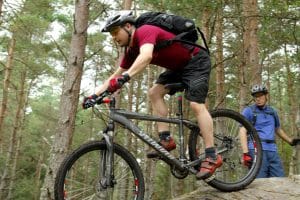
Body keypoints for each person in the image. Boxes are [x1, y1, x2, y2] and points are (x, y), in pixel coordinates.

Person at [82, 11, 222, 179]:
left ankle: (212, 154)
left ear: (128, 26)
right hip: (178, 68)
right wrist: (92, 96)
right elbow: (115, 75)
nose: (113, 37)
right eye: (111, 34)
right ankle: (166, 139)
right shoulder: (131, 51)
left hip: (196, 61)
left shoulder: (145, 30)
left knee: (195, 104)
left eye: (115, 32)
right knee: (154, 92)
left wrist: (126, 77)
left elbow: (146, 56)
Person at [239, 84, 299, 178]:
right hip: (256, 150)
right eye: (255, 96)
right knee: (260, 182)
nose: (258, 99)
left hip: (272, 150)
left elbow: (277, 129)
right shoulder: (249, 111)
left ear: (266, 95)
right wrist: (245, 153)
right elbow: (242, 131)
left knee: (280, 180)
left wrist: (290, 141)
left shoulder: (272, 112)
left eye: (260, 95)